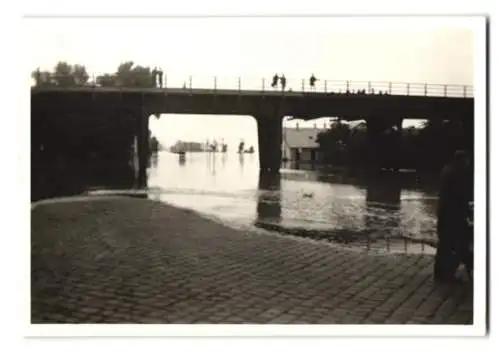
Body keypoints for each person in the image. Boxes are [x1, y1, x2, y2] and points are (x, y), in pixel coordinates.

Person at [434, 150, 473, 282]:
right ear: (462, 161)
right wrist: (467, 213)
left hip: (444, 213)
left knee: (445, 244)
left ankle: (440, 273)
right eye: (467, 161)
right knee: (454, 244)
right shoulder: (457, 175)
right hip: (453, 215)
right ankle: (448, 274)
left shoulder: (447, 171)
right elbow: (461, 197)